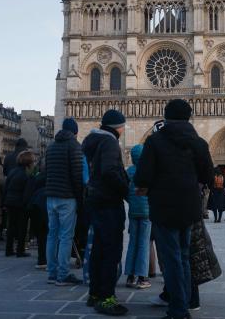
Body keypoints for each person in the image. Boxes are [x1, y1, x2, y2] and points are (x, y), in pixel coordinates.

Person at [135, 99, 214, 319]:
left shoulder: (155, 142)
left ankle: (178, 309)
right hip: (189, 207)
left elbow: (143, 176)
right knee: (184, 256)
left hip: (163, 208)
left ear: (167, 116)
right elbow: (208, 176)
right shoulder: (199, 143)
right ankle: (185, 303)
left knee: (171, 259)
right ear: (188, 117)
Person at [82, 109, 130, 316]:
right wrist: (125, 189)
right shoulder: (109, 142)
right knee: (111, 251)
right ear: (117, 126)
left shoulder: (91, 140)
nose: (123, 129)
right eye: (122, 125)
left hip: (95, 200)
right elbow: (110, 171)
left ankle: (95, 293)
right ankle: (107, 297)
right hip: (109, 202)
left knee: (99, 250)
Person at [45, 118, 84, 286]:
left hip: (51, 196)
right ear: (75, 132)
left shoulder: (51, 146)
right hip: (67, 197)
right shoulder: (74, 146)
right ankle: (63, 274)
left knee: (52, 235)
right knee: (66, 236)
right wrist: (80, 197)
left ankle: (52, 273)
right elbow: (77, 175)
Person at [124, 144, 152, 290]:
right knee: (144, 243)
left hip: (133, 212)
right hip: (147, 213)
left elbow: (125, 191)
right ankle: (142, 277)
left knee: (132, 242)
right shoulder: (148, 171)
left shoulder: (129, 171)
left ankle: (130, 276)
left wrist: (132, 202)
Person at [3, 149, 35, 257]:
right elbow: (27, 193)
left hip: (10, 201)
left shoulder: (12, 171)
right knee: (22, 227)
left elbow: (6, 187)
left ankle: (9, 249)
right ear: (29, 163)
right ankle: (20, 250)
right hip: (21, 203)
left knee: (11, 226)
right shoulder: (27, 175)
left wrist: (5, 201)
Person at [24, 158, 48, 269]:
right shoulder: (55, 179)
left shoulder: (36, 178)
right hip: (48, 208)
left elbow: (28, 195)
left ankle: (41, 259)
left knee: (41, 235)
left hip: (36, 208)